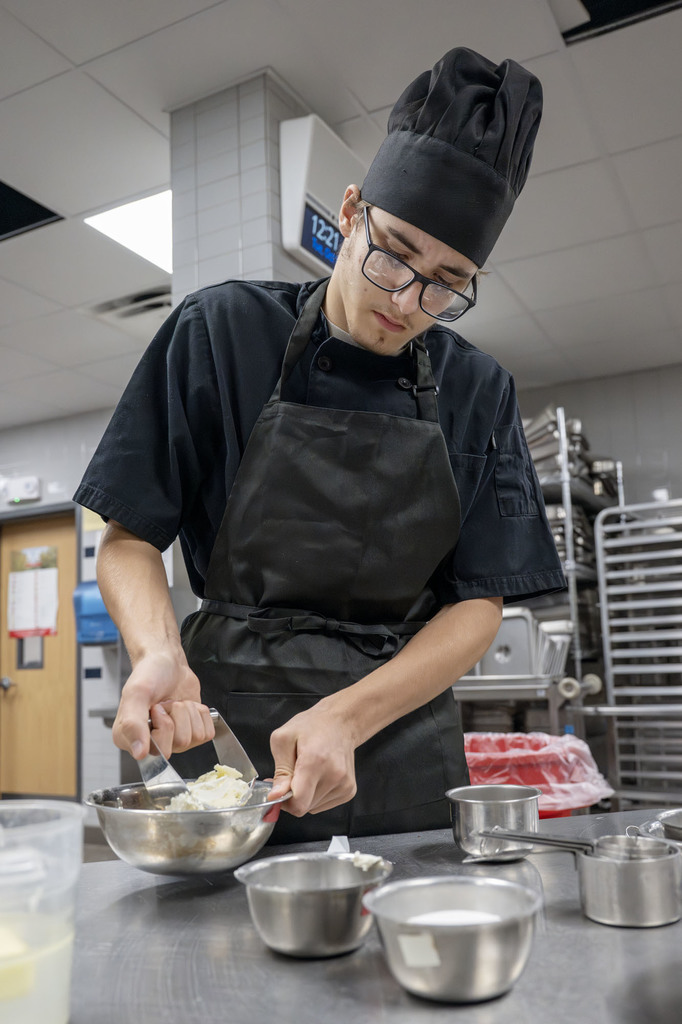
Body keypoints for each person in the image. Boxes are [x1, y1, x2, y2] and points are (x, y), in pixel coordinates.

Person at [74, 46, 565, 842]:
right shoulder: (221, 331)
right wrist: (157, 652)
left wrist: (348, 715)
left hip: (396, 739)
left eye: (447, 282)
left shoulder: (479, 390)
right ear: (349, 212)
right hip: (225, 735)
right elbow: (130, 535)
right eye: (394, 251)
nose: (407, 300)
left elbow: (479, 602)